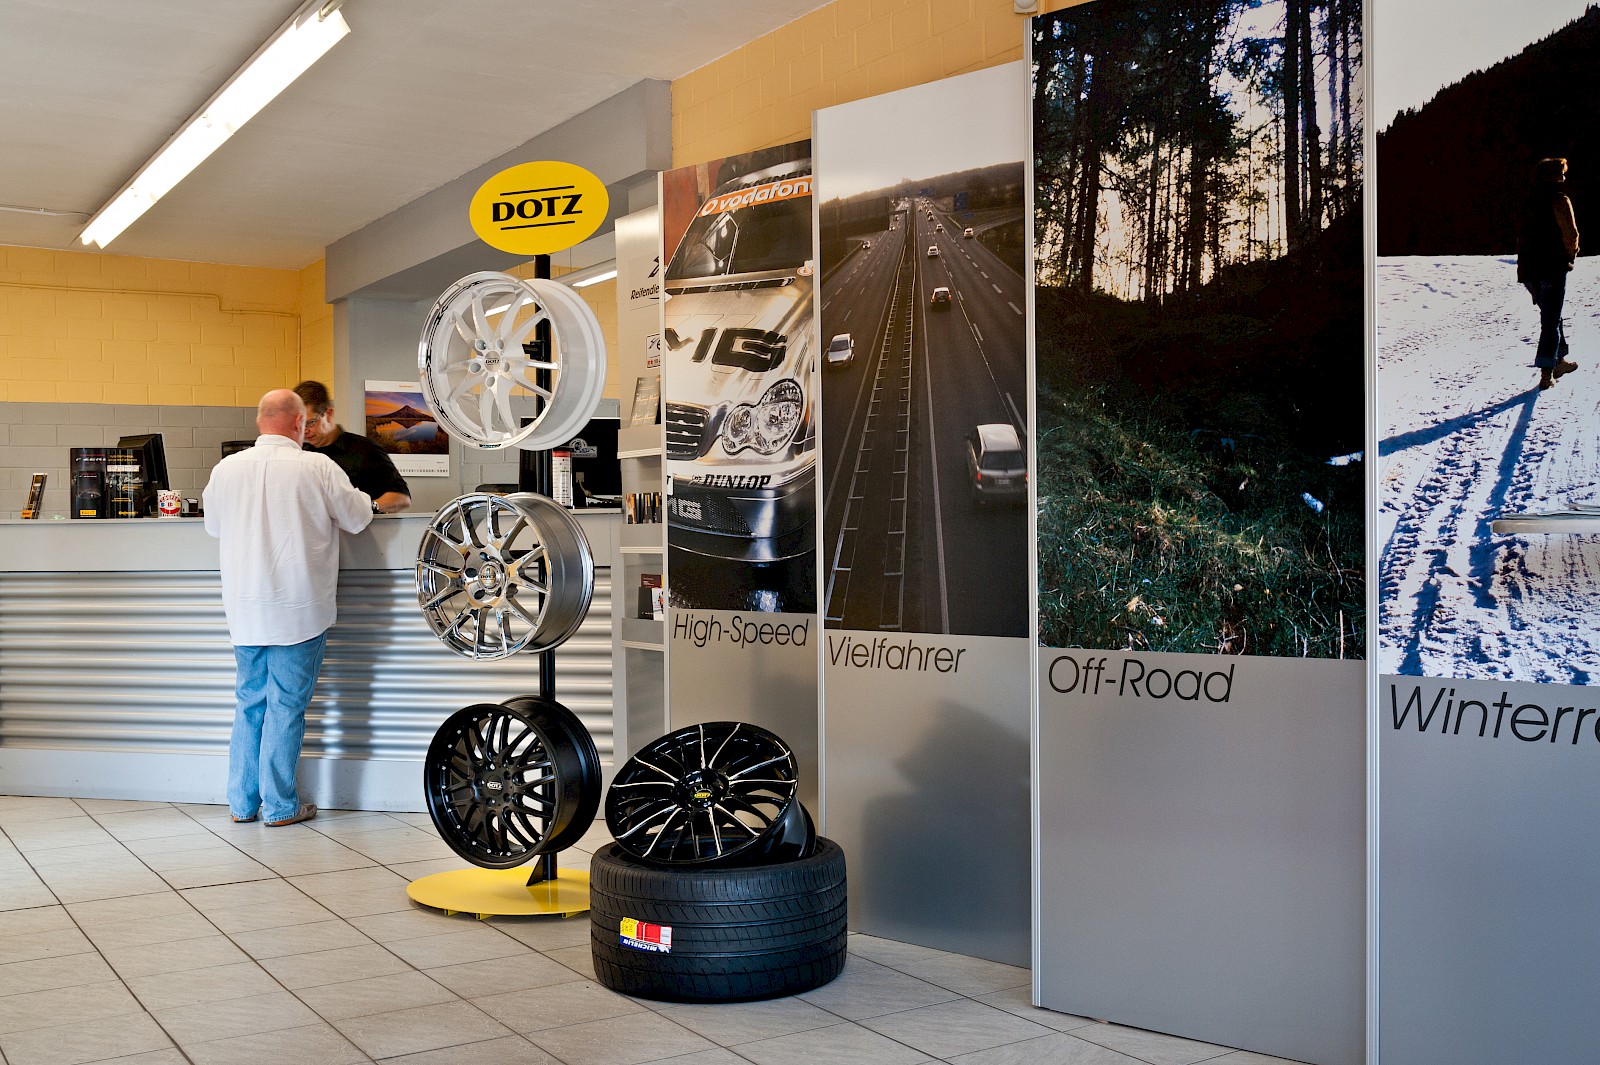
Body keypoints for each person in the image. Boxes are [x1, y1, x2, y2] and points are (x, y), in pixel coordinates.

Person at [203, 389, 374, 826]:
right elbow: (358, 517)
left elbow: (213, 526)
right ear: (299, 422)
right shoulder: (317, 467)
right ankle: (280, 806)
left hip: (245, 609)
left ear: (260, 422)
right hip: (299, 610)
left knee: (249, 704)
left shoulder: (226, 469)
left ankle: (242, 804)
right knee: (286, 706)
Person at [293, 380, 412, 513]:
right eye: (299, 424)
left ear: (329, 414)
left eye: (310, 422)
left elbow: (402, 497)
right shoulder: (299, 452)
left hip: (360, 526)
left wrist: (366, 508)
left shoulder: (366, 449)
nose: (304, 430)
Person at [1517, 157, 1581, 390]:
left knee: (1551, 313)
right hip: (1552, 267)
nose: (1564, 177)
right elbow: (1571, 235)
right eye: (1561, 173)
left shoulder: (1528, 201)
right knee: (1550, 320)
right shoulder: (1560, 200)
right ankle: (1547, 372)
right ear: (1555, 176)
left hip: (1529, 269)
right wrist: (1570, 256)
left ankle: (1559, 359)